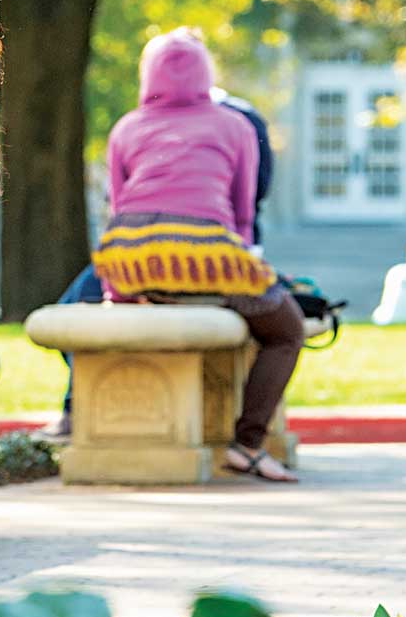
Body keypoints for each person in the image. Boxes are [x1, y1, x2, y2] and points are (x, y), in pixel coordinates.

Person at [93, 28, 302, 482]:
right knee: (287, 330)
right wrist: (245, 269)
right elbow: (242, 214)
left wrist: (117, 290)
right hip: (205, 251)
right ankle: (247, 445)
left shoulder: (127, 125)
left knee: (160, 272)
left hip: (129, 257)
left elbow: (118, 204)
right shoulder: (235, 124)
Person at [43, 81, 275, 437]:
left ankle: (80, 408)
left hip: (199, 252)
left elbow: (117, 201)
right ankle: (87, 404)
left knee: (81, 303)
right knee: (74, 308)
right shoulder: (158, 120)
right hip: (174, 251)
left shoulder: (230, 118)